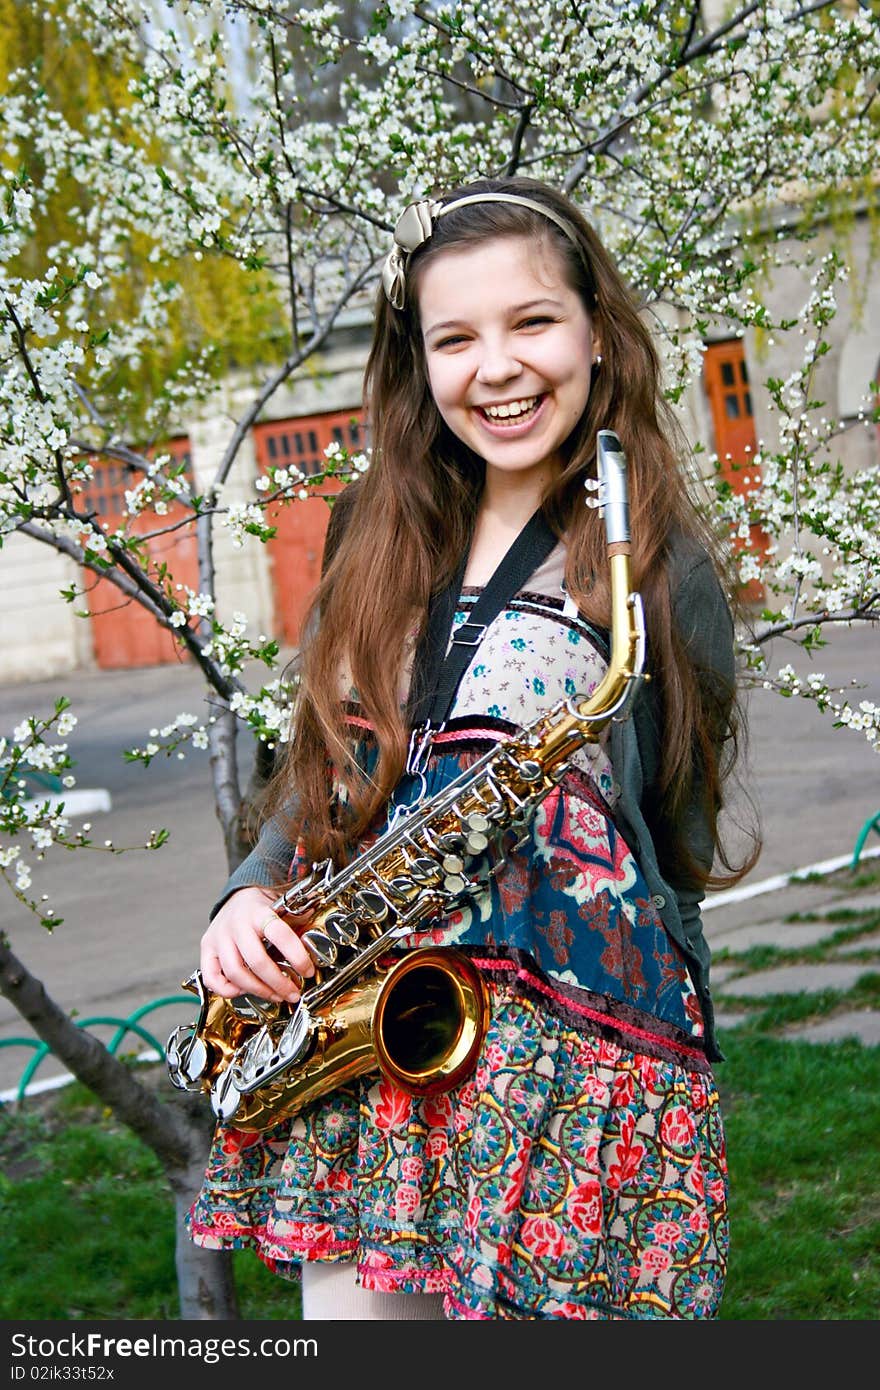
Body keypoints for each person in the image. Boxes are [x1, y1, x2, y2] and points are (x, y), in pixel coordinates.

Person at [185, 175, 758, 1320]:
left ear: (597, 332)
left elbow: (676, 839)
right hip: (376, 1034)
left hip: (578, 1063)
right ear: (419, 361)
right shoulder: (368, 532)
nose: (496, 367)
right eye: (455, 337)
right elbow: (322, 775)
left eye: (532, 322)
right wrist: (245, 899)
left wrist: (678, 1081)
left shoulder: (666, 569)